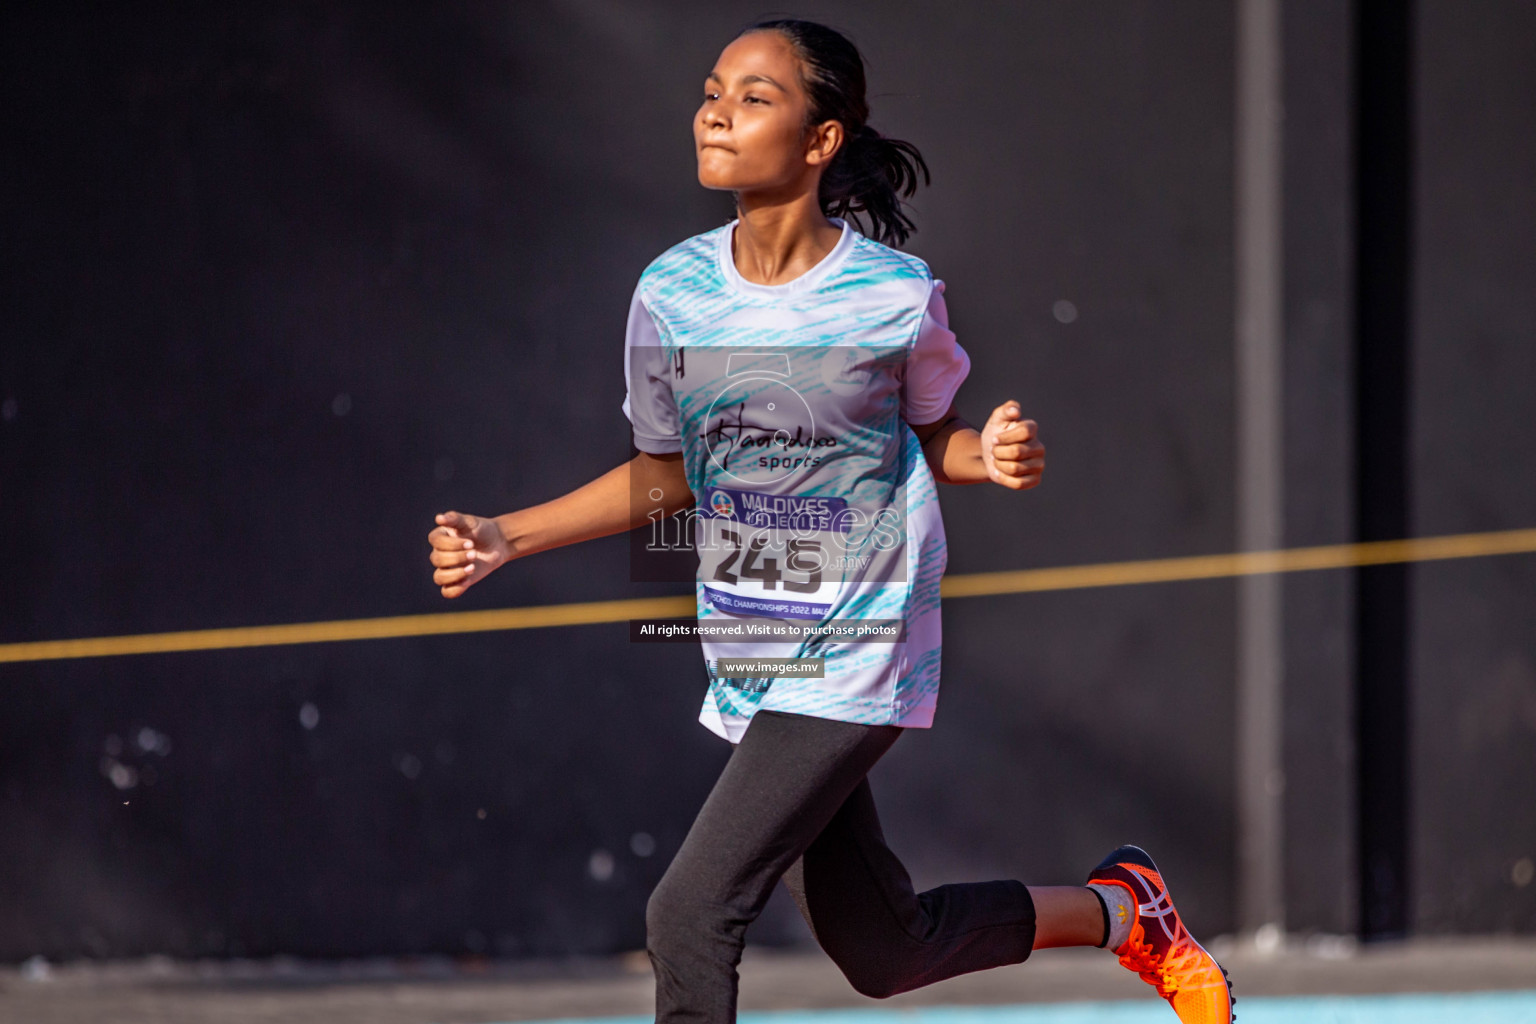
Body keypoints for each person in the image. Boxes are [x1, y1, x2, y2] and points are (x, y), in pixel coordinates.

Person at [426, 17, 1233, 1024]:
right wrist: (511, 533)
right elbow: (669, 473)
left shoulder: (891, 296)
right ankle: (1125, 911)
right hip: (751, 641)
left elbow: (935, 432)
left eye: (755, 97)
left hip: (863, 639)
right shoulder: (669, 292)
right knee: (885, 949)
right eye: (712, 88)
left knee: (689, 912)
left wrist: (990, 454)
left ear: (822, 141)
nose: (718, 109)